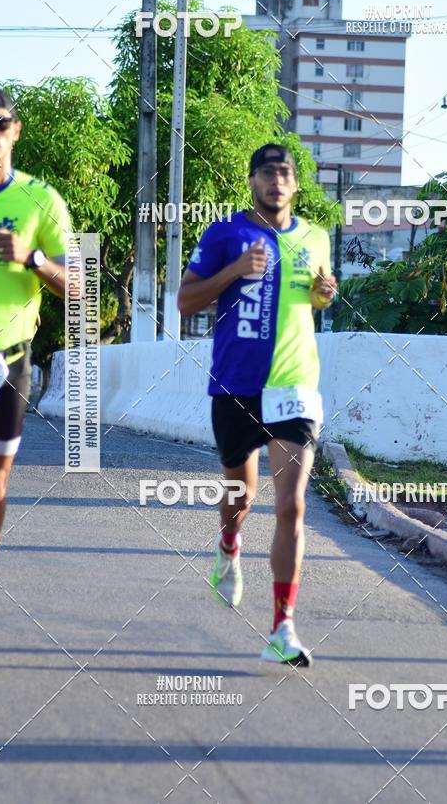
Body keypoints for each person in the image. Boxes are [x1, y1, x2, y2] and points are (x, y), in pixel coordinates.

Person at [178, 143, 337, 666]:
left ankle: (282, 628)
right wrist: (235, 271)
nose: (278, 181)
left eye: (286, 173)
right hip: (236, 385)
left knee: (292, 504)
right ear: (252, 181)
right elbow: (186, 300)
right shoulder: (223, 234)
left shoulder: (316, 236)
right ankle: (228, 543)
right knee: (241, 496)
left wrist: (323, 293)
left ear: (296, 184)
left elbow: (314, 298)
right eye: (268, 173)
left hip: (295, 386)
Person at [0, 87, 70, 554]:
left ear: (15, 130)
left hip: (10, 360)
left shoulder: (41, 199)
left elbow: (76, 287)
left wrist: (33, 257)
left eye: (0, 124)